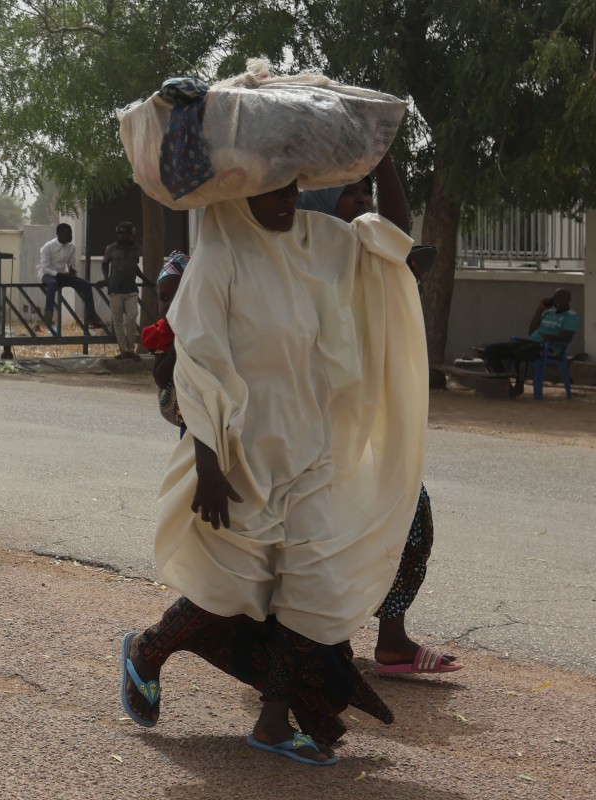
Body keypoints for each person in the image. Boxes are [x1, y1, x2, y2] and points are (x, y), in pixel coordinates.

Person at [121, 180, 428, 765]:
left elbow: (392, 238)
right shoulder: (219, 259)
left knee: (309, 589)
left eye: (291, 192)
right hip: (242, 457)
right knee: (230, 586)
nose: (285, 204)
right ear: (240, 199)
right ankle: (148, 650)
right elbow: (198, 364)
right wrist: (209, 464)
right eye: (270, 196)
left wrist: (382, 154)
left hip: (312, 449)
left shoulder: (317, 241)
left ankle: (271, 724)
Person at [299, 153, 462, 675]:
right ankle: (309, 644)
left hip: (363, 416)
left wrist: (381, 155)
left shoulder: (366, 249)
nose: (365, 201)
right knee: (319, 534)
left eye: (368, 191)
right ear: (322, 203)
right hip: (313, 422)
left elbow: (395, 225)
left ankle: (391, 640)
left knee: (410, 513)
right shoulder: (300, 257)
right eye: (352, 192)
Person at [481, 289, 580, 393]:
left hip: (548, 347)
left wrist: (548, 337)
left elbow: (566, 337)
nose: (557, 301)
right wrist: (540, 309)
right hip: (530, 343)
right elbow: (531, 331)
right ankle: (505, 385)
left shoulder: (572, 317)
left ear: (569, 300)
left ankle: (519, 384)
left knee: (521, 352)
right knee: (491, 350)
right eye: (555, 298)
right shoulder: (548, 313)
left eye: (560, 298)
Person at [141, 251, 189, 430]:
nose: (171, 305)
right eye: (165, 299)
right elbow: (161, 378)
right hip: (182, 409)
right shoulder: (165, 332)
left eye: (179, 297)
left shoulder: (209, 328)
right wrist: (179, 342)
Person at [39, 223, 103, 328]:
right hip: (48, 274)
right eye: (68, 234)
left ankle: (90, 317)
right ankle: (48, 314)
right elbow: (44, 268)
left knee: (86, 285)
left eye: (71, 234)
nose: (71, 236)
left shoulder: (71, 247)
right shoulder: (47, 247)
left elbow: (71, 262)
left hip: (63, 274)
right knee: (53, 284)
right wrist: (59, 274)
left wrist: (71, 270)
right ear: (59, 234)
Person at [100, 222, 146, 358]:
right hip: (115, 288)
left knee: (132, 317)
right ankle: (123, 350)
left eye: (124, 232)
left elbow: (134, 267)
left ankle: (131, 349)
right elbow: (104, 264)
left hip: (131, 288)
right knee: (117, 320)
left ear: (131, 233)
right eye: (119, 232)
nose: (121, 235)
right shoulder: (111, 249)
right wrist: (106, 280)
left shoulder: (136, 249)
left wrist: (146, 280)